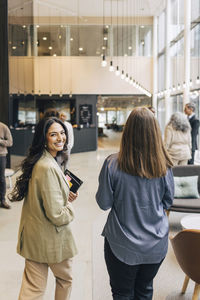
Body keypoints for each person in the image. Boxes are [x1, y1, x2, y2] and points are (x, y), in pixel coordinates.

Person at [96, 107, 174, 300]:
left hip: (121, 245)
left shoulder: (112, 164)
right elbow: (168, 201)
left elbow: (104, 203)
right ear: (155, 131)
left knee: (122, 293)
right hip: (156, 244)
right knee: (145, 290)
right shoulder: (164, 165)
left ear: (127, 131)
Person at [9, 117, 78, 300]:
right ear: (44, 138)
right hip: (51, 240)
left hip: (33, 238)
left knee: (32, 289)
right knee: (65, 280)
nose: (60, 138)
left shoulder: (42, 161)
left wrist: (64, 195)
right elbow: (57, 215)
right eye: (53, 134)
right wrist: (70, 207)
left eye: (62, 133)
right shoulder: (48, 167)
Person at [0, 121, 13, 209]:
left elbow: (10, 142)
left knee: (1, 178)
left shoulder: (3, 127)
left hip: (1, 156)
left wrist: (0, 141)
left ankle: (2, 200)